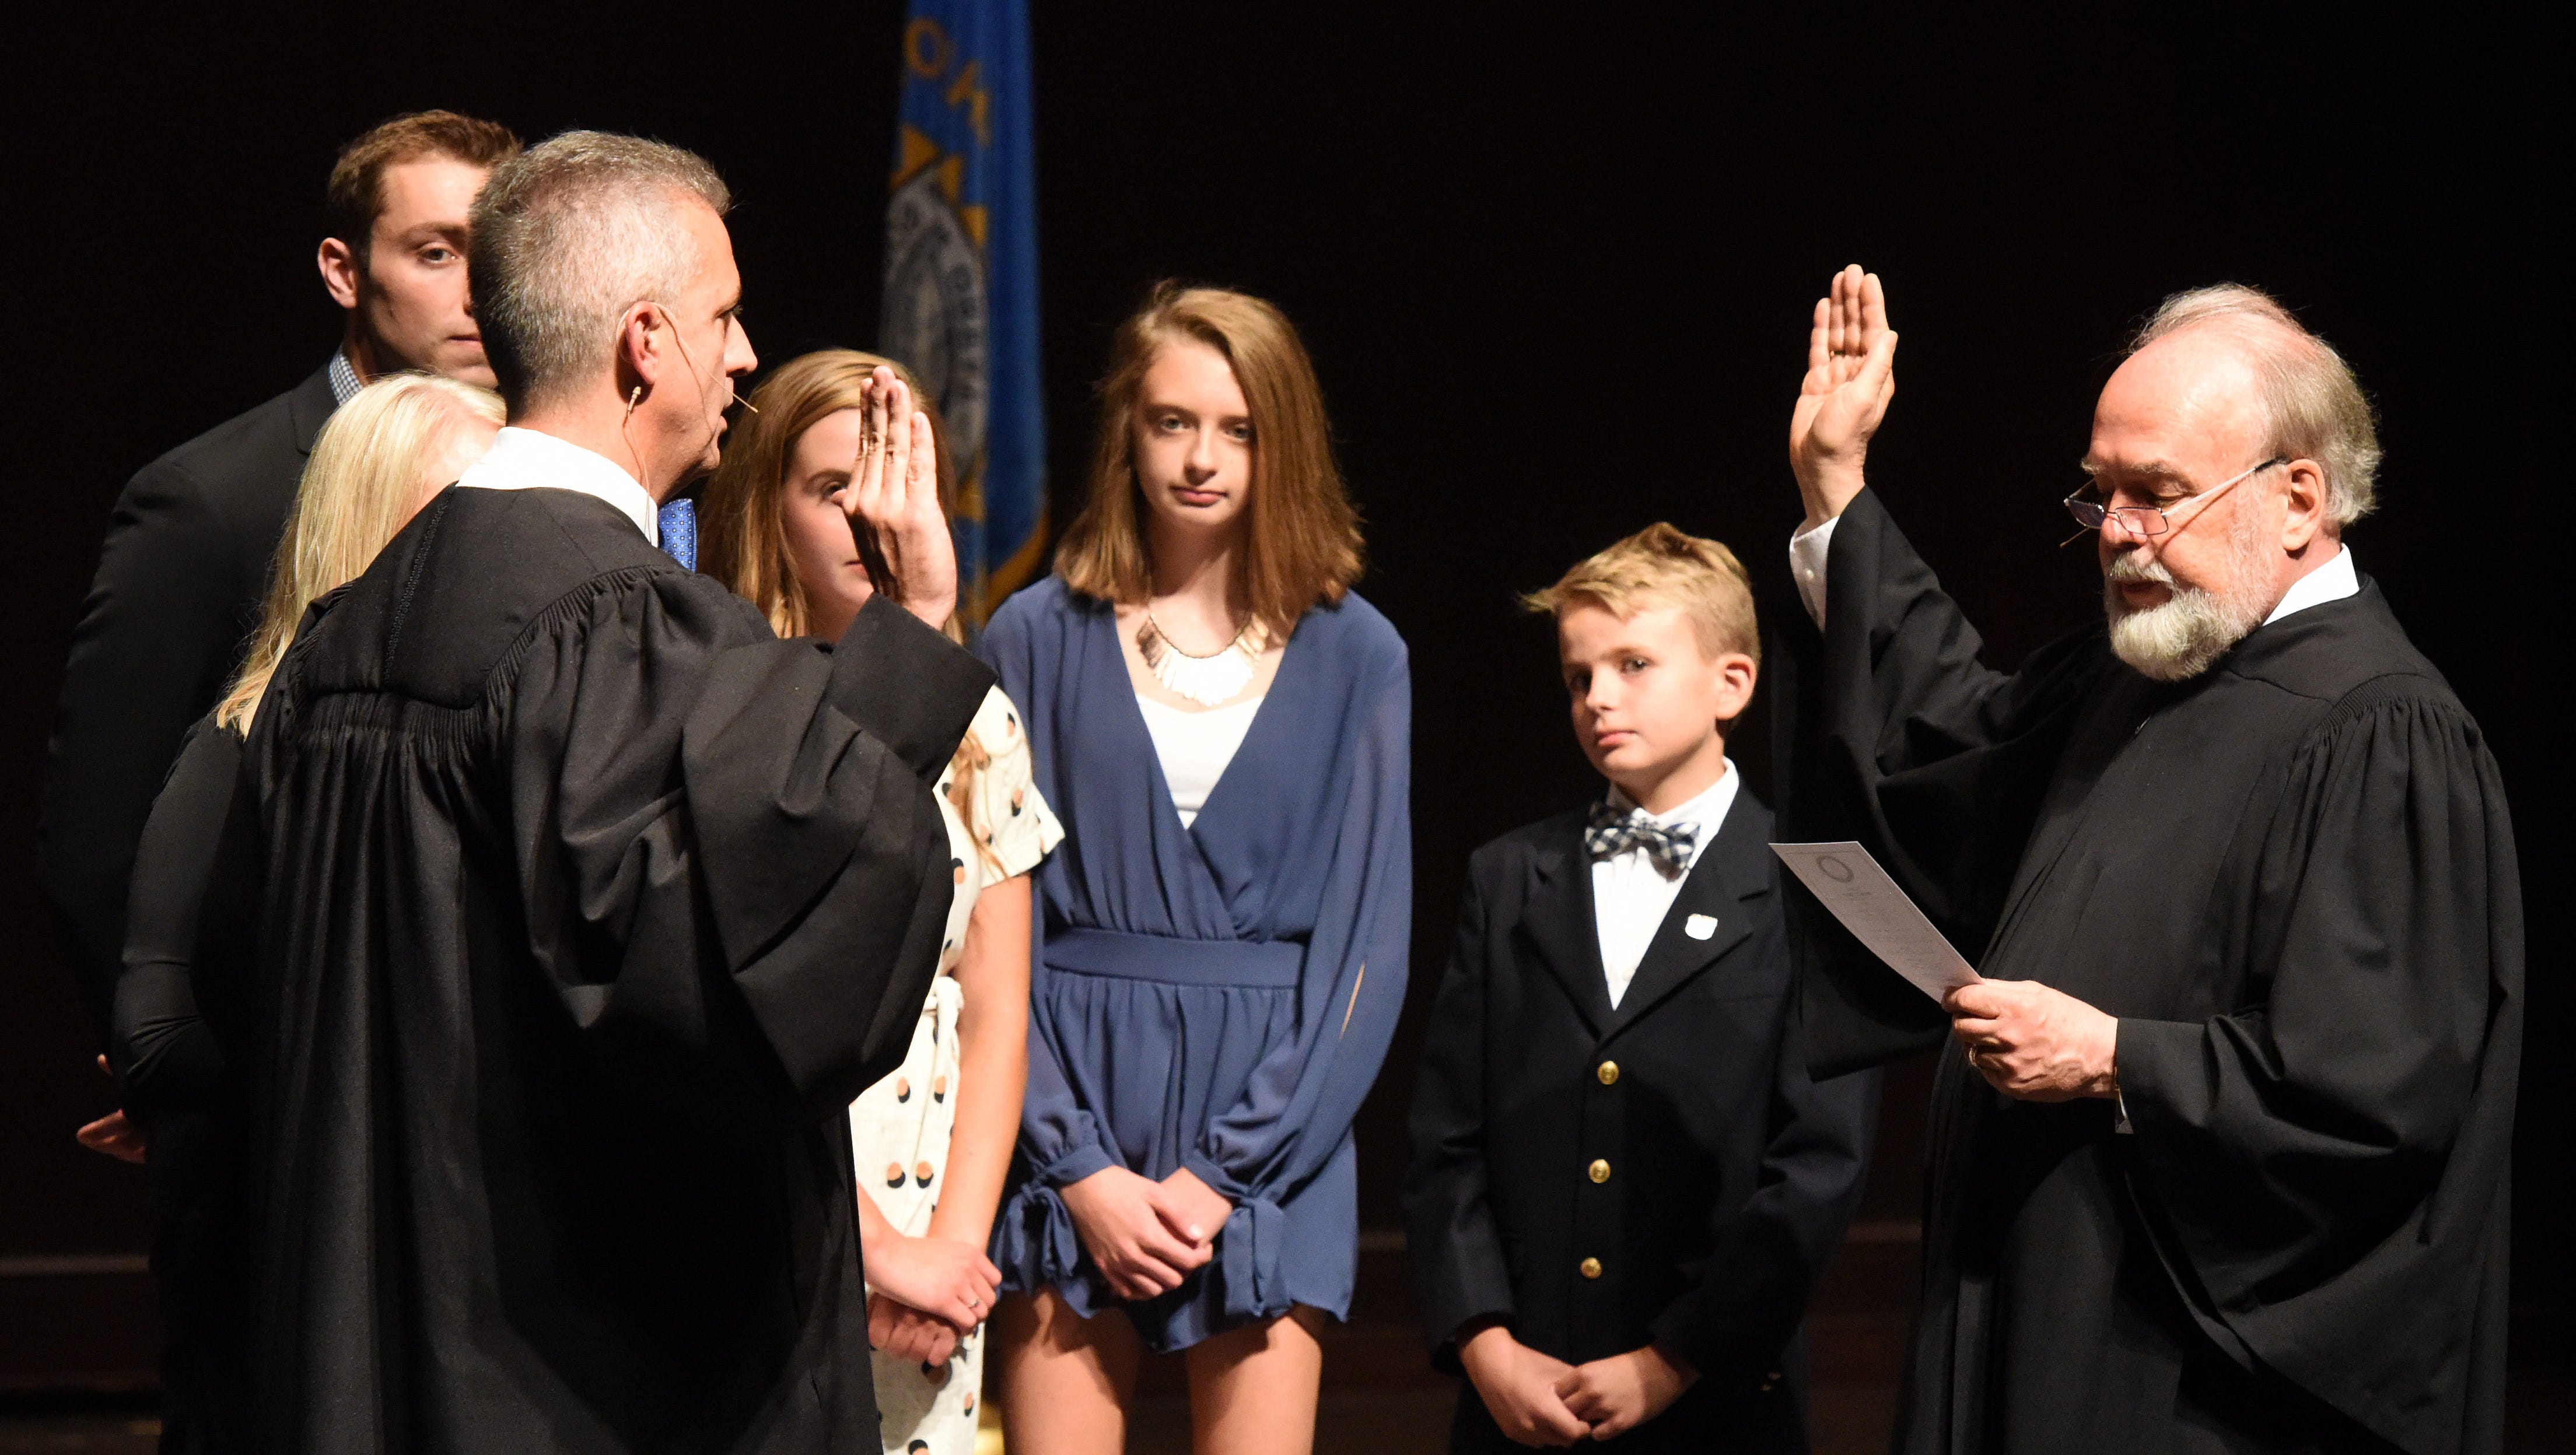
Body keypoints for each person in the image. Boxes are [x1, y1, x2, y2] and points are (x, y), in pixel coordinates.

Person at [209, 131, 996, 1452]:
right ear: (646, 345)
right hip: (577, 1386)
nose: (744, 356)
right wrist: (913, 637)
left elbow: (256, 991)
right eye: (724, 318)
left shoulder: (340, 640)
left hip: (370, 1359)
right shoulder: (623, 635)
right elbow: (741, 992)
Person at [1778, 267, 2520, 1453]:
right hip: (2031, 1290)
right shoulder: (2154, 663)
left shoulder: (2382, 735)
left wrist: (2112, 1058)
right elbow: (1956, 736)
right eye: (2100, 492)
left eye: (2157, 494)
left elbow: (2380, 1098)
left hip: (2183, 1378)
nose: (2118, 531)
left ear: (2297, 498)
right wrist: (1837, 487)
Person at [979, 284, 1410, 1455]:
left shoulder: (1359, 654)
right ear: (1128, 432)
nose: (1202, 458)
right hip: (1066, 1111)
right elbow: (987, 931)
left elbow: (1366, 955)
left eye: (1238, 429)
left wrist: (1227, 1175)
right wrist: (1078, 1166)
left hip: (1271, 1131)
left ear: (1285, 444)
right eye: (1172, 422)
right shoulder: (1032, 637)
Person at [42, 108, 520, 1042]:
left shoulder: (541, 471)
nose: (476, 292)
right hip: (270, 1048)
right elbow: (97, 839)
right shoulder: (212, 499)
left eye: (497, 256)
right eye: (435, 253)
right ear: (344, 271)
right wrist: (166, 1062)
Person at [1402, 524, 1875, 1452]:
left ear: (1731, 684)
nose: (1598, 698)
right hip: (1520, 1395)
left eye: (1632, 665)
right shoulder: (1508, 878)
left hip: (1723, 1401)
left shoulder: (1811, 889)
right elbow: (1445, 1142)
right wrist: (1485, 1344)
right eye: (1579, 676)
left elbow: (1818, 1166)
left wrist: (1675, 1359)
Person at [108, 371, 504, 1454]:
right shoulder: (244, 739)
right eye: (465, 510)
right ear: (376, 523)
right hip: (281, 1265)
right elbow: (153, 1033)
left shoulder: (482, 730)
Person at [701, 348, 1063, 1454]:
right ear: (769, 508)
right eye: (834, 489)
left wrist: (948, 1252)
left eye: (902, 482)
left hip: (931, 1217)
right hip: (780, 1212)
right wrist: (874, 1255)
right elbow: (740, 1015)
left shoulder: (978, 721)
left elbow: (997, 1012)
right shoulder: (729, 703)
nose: (875, 517)